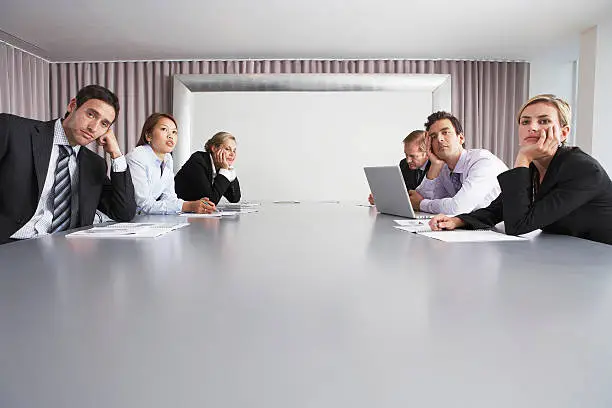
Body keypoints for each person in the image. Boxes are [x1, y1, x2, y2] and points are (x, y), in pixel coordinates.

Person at [429, 94, 612, 245]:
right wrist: (458, 220)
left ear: (563, 133)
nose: (532, 127)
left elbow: (518, 225)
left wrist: (523, 158)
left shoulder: (584, 170)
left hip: (601, 258)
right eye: (525, 122)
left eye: (544, 121)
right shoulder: (534, 166)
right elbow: (498, 209)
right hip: (566, 253)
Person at [0, 84, 136, 244]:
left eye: (104, 124)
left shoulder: (95, 164)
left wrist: (116, 155)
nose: (93, 128)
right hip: (9, 244)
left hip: (67, 249)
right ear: (72, 106)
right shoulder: (12, 130)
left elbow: (123, 213)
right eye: (91, 114)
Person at [410, 111, 508, 215]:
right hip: (472, 227)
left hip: (502, 228)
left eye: (445, 132)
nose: (439, 139)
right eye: (433, 136)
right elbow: (418, 198)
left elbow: (457, 208)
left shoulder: (483, 161)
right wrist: (434, 165)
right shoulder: (444, 168)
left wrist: (421, 204)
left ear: (461, 138)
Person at [126, 113, 216, 215]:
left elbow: (169, 197)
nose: (170, 135)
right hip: (118, 220)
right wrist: (189, 206)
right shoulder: (137, 156)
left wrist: (194, 205)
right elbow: (144, 205)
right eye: (164, 129)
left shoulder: (167, 158)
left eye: (174, 132)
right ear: (148, 136)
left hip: (142, 219)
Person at [175, 131, 241, 205]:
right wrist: (224, 170)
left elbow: (235, 198)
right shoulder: (198, 160)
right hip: (174, 210)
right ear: (214, 148)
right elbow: (210, 201)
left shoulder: (220, 165)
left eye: (234, 151)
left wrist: (228, 169)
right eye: (227, 149)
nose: (232, 154)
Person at [368, 130, 430, 205]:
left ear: (427, 153)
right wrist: (382, 199)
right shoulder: (404, 164)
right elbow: (401, 193)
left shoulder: (437, 167)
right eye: (406, 154)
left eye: (412, 156)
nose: (408, 160)